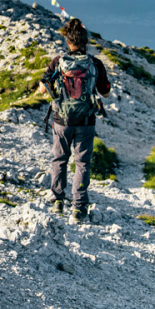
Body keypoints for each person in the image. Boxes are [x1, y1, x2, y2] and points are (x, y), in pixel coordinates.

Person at [37, 18, 111, 224]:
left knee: (59, 159)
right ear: (85, 41)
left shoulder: (58, 61)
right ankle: (78, 208)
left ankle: (58, 201)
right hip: (86, 121)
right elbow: (105, 93)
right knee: (82, 163)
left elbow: (43, 89)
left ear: (67, 41)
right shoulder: (94, 63)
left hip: (61, 120)